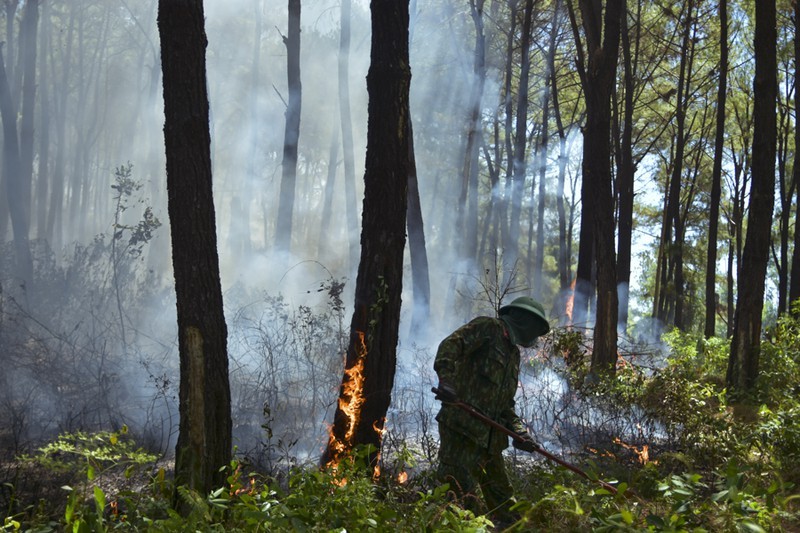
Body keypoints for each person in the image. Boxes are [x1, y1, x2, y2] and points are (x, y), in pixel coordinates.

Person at [433, 296, 550, 526]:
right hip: (462, 431)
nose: (536, 337)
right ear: (524, 321)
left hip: (491, 443)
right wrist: (446, 379)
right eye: (536, 329)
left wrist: (520, 434)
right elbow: (451, 345)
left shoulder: (513, 355)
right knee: (457, 499)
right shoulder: (488, 328)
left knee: (507, 506)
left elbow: (505, 405)